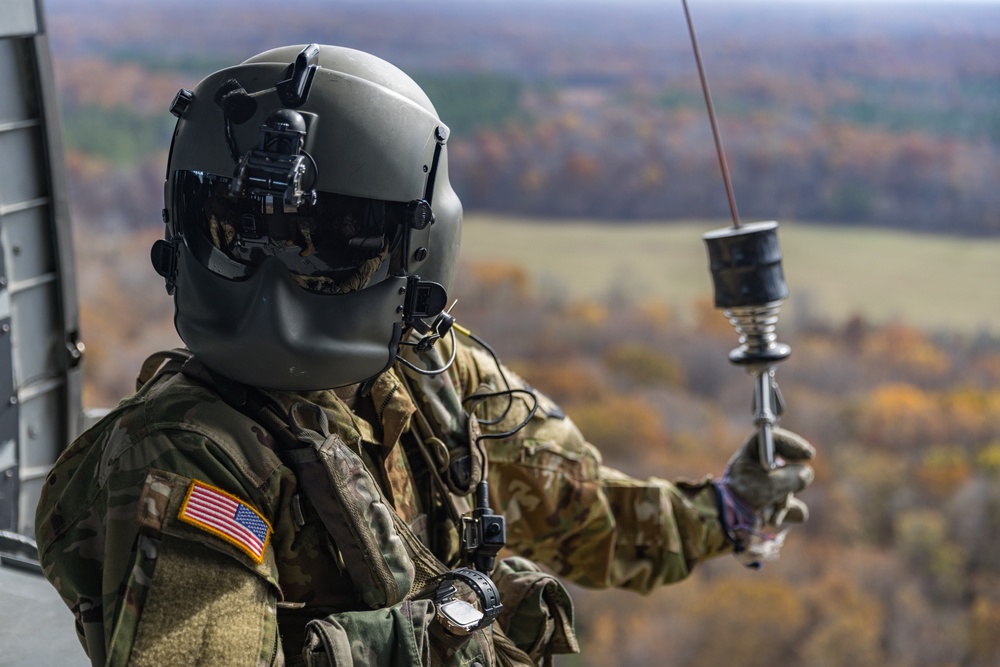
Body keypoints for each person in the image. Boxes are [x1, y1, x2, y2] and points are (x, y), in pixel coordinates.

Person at [35, 44, 815, 667]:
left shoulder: (435, 374)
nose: (282, 280)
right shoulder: (189, 451)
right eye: (241, 233)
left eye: (331, 244)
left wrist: (725, 513)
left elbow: (582, 512)